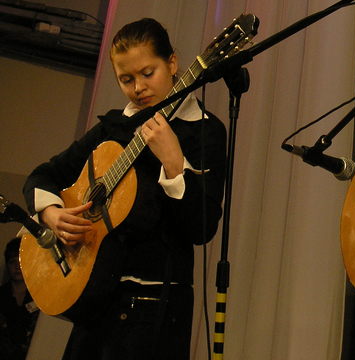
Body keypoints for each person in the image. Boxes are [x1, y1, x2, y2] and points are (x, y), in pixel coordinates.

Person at [22, 18, 227, 360]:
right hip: (97, 304)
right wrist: (51, 213)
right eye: (126, 79)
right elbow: (43, 175)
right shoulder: (112, 128)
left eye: (148, 73)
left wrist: (174, 162)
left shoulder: (204, 132)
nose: (138, 88)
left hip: (155, 308)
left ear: (172, 63)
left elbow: (202, 228)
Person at [0, 238, 40, 360]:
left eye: (21, 261)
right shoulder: (2, 295)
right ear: (7, 265)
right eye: (12, 262)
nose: (17, 267)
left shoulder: (38, 296)